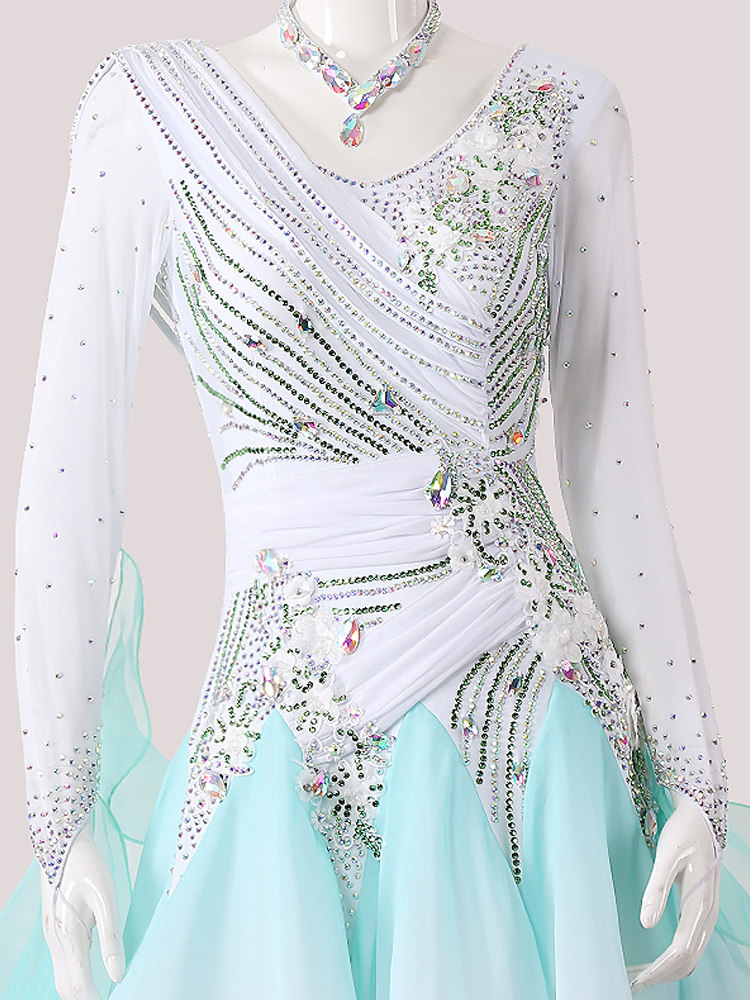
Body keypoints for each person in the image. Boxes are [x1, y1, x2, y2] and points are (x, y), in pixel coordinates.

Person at [1, 2, 749, 998]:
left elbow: (617, 468)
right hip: (287, 732)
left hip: (537, 732)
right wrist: (62, 813)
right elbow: (66, 480)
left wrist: (694, 771)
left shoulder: (564, 113)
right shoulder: (149, 114)